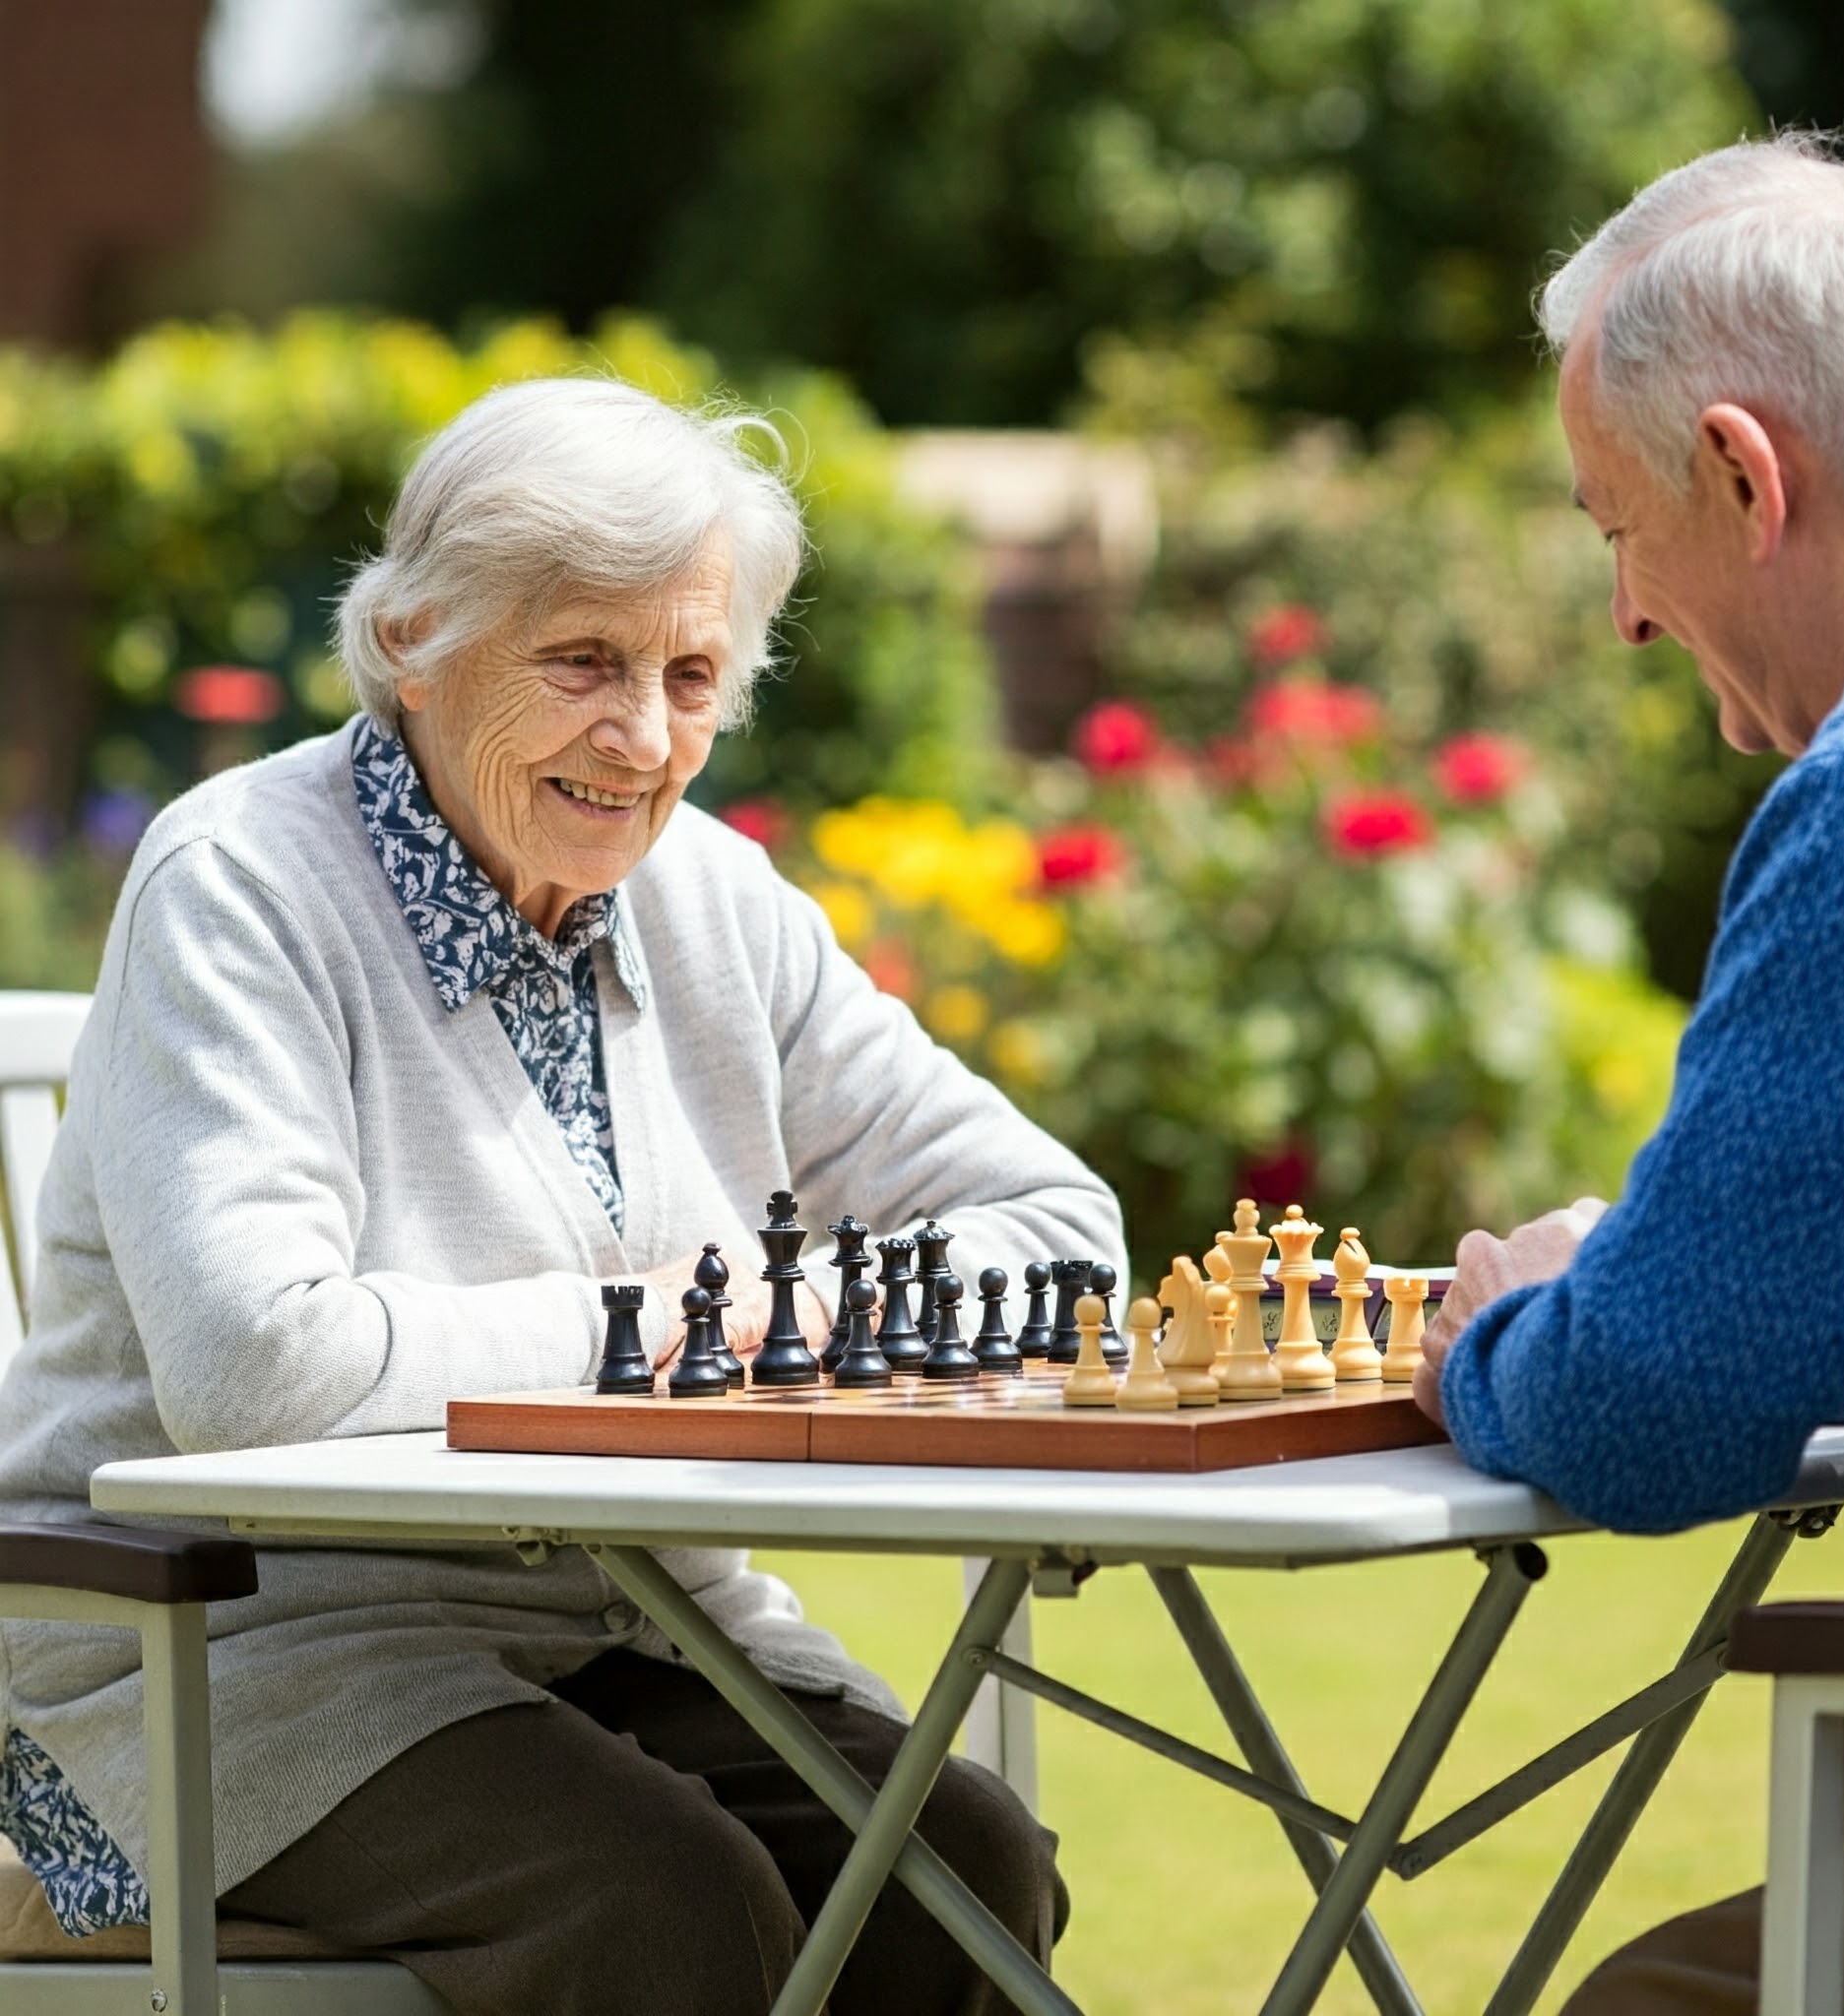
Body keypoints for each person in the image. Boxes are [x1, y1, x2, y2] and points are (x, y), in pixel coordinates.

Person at [0, 377, 1123, 2016]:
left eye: (689, 676)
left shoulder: (715, 902)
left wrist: (786, 1313)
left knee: (957, 1867)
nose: (646, 739)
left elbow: (1061, 1232)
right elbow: (261, 1369)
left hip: (630, 1630)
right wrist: (683, 1323)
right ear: (413, 644)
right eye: (583, 663)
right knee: (659, 1904)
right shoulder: (239, 886)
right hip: (218, 1656)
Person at [1414, 132, 1844, 2013]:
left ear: (1746, 475)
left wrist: (1501, 1330)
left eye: (1617, 527)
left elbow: (1651, 1411)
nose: (1625, 617)